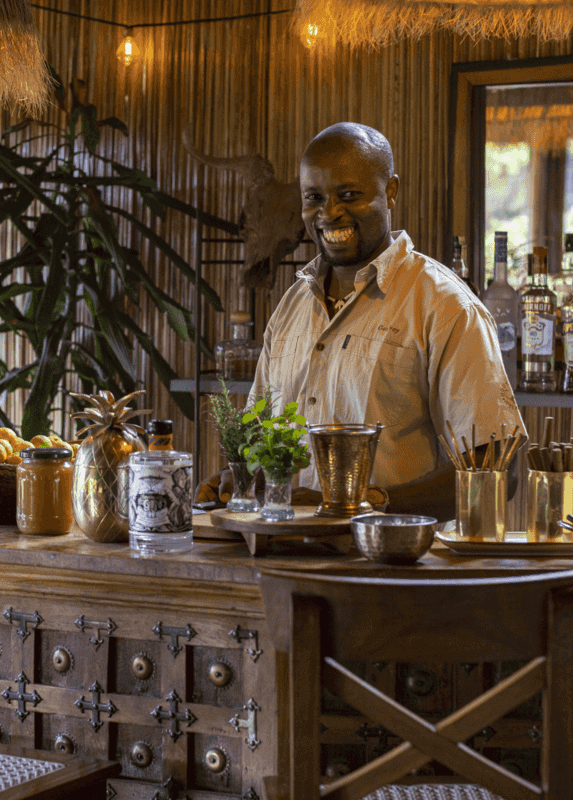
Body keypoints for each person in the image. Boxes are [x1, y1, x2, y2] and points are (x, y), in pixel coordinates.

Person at [198, 122, 524, 522]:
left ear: (391, 191)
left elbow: (496, 472)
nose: (330, 212)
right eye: (313, 198)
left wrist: (364, 504)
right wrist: (241, 482)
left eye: (350, 195)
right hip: (277, 563)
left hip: (390, 571)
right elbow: (259, 448)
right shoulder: (291, 307)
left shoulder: (446, 306)